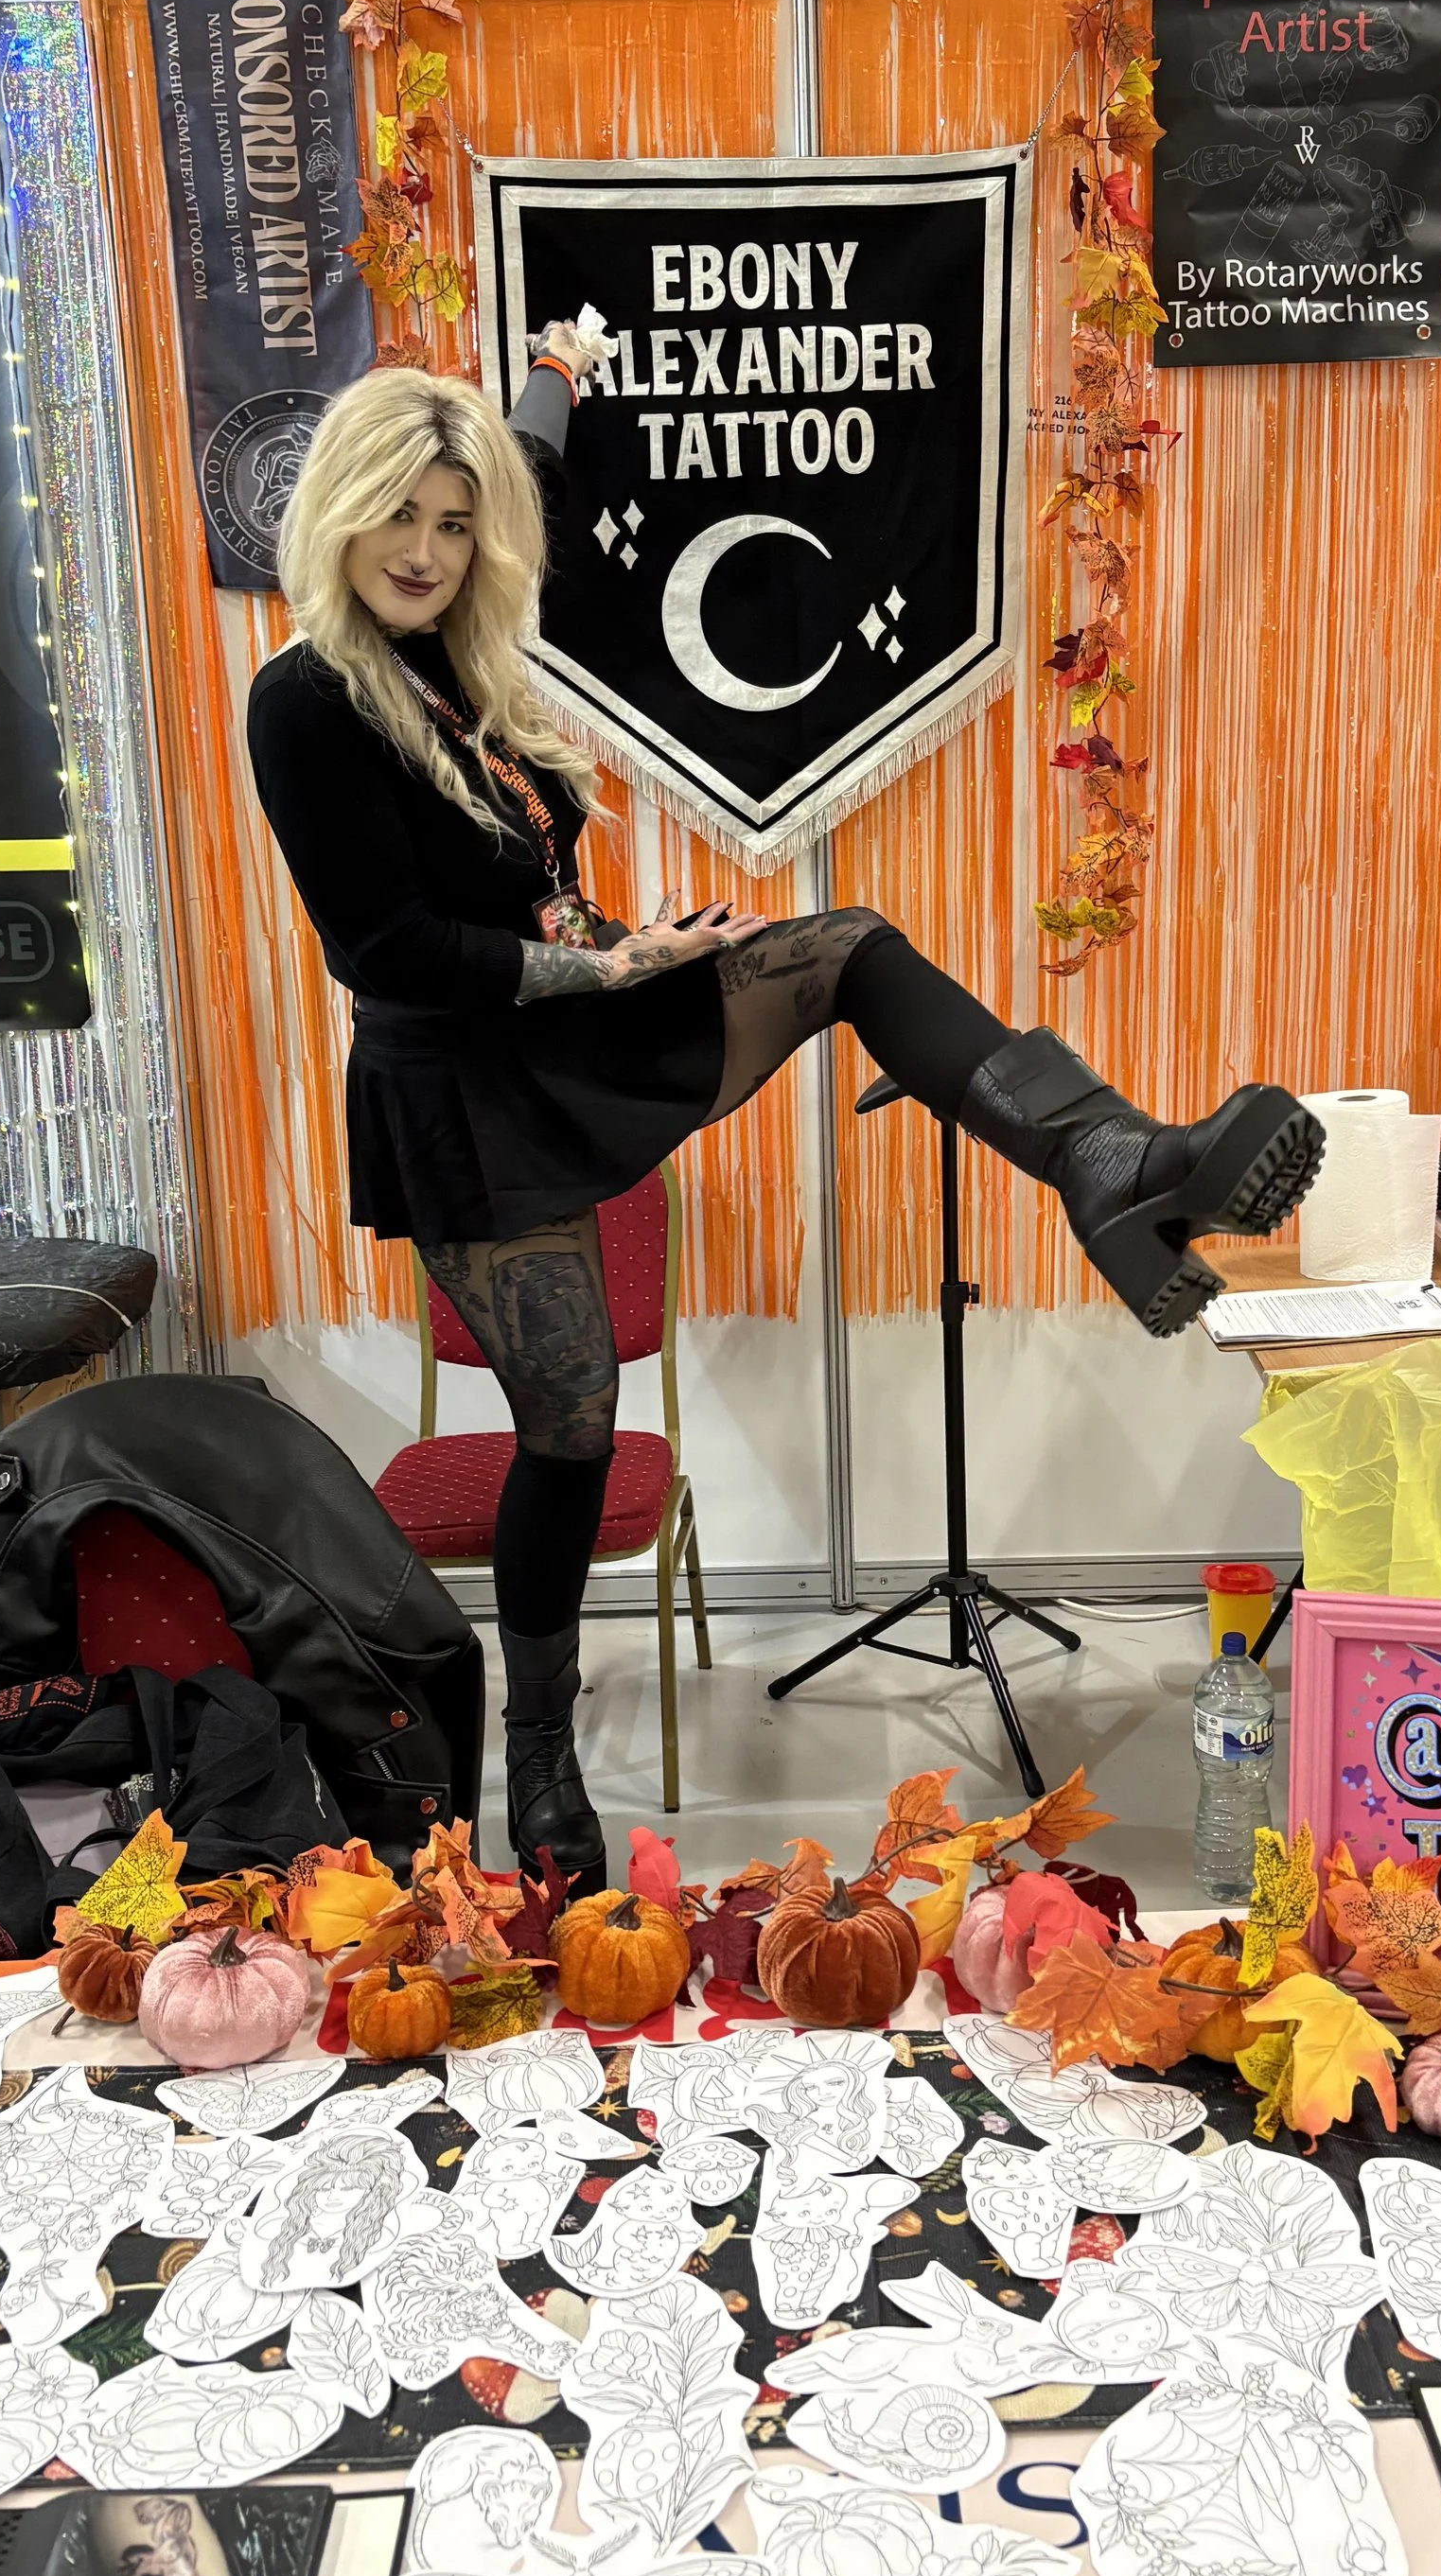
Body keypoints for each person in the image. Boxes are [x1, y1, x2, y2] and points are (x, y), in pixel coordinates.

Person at [246, 341, 1325, 1892]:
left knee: (848, 948)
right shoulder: (308, 699)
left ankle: (1110, 1157)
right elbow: (385, 949)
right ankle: (536, 1756)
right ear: (336, 516)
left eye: (451, 519)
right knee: (566, 1423)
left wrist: (549, 383)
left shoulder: (456, 658)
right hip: (466, 1087)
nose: (426, 547)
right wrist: (606, 960)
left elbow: (530, 487)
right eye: (397, 515)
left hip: (579, 1006)